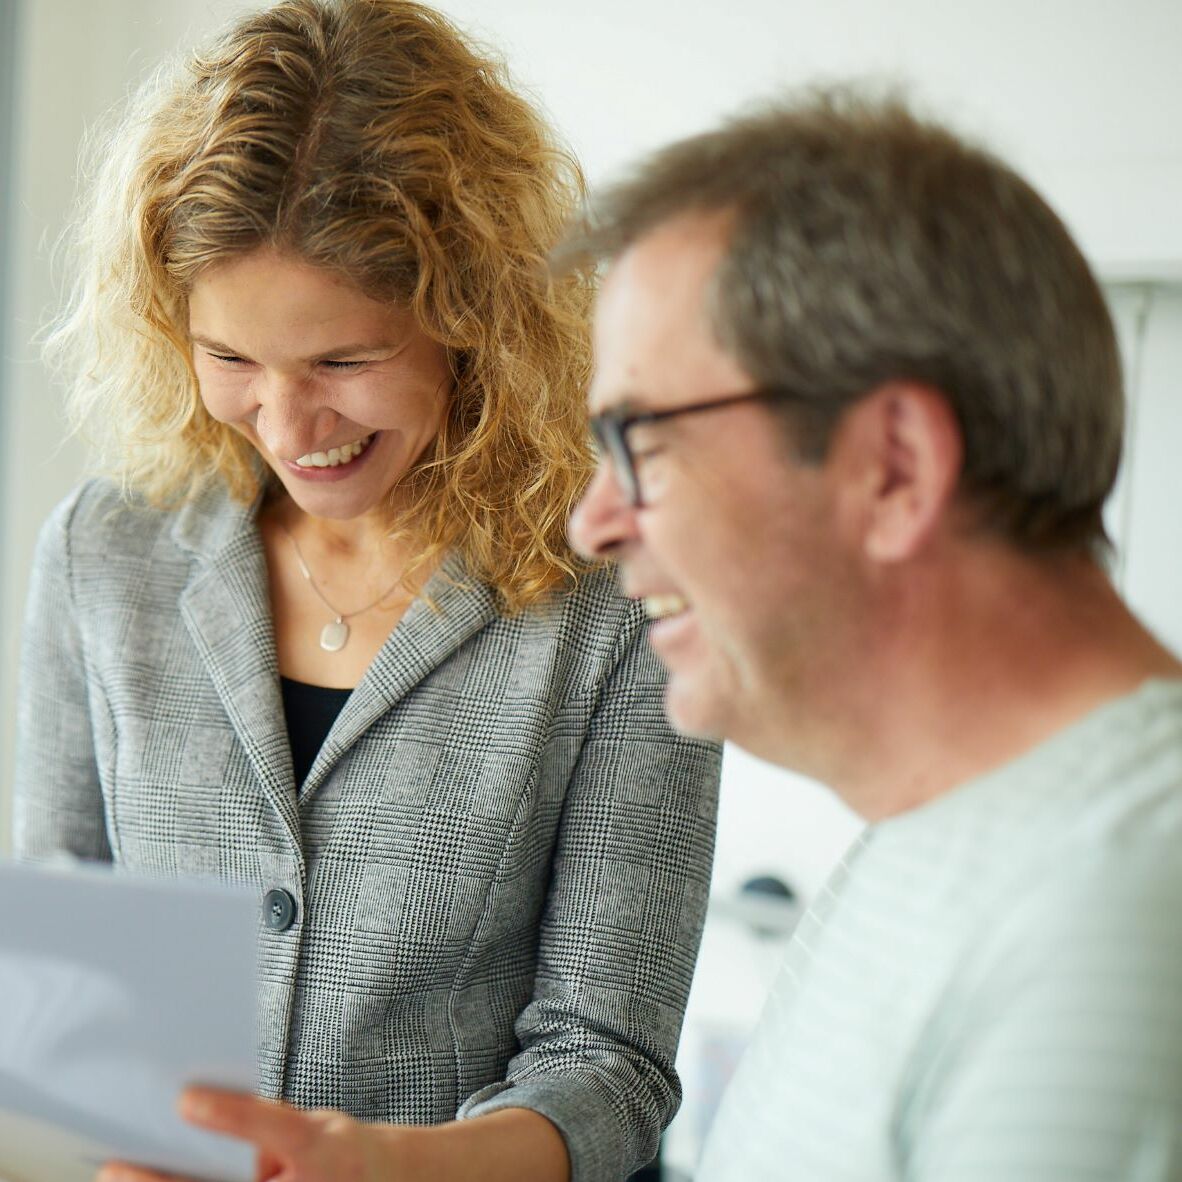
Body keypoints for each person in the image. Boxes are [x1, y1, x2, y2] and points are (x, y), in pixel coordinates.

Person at [14, 3, 720, 1181]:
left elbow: (609, 1064)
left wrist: (398, 1168)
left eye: (344, 361)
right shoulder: (105, 554)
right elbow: (63, 971)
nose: (289, 428)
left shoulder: (615, 599)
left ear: (478, 322)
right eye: (233, 359)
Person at [565, 91, 1182, 1179]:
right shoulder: (935, 841)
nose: (592, 521)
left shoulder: (1115, 916)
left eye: (641, 440)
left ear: (893, 466)